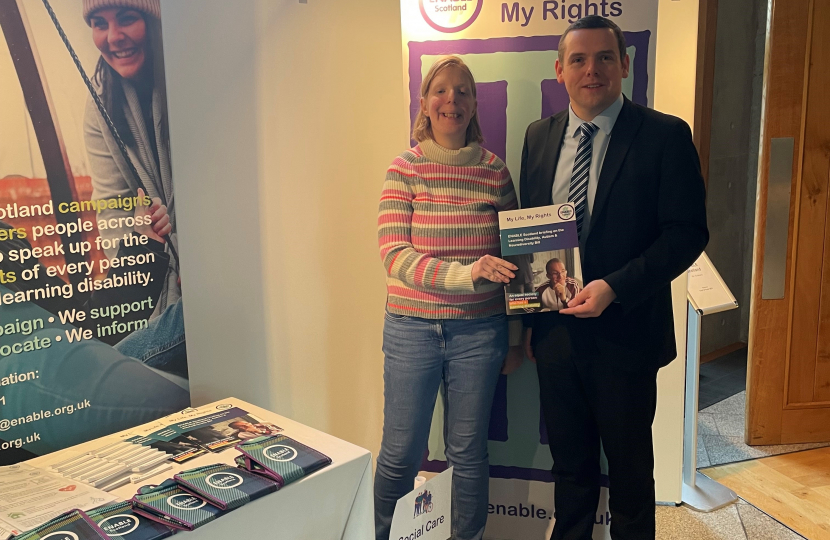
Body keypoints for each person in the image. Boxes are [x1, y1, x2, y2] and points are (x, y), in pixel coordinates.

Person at [518, 16, 708, 539]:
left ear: (625, 64)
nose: (592, 69)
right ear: (559, 70)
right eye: (578, 59)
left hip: (626, 335)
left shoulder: (665, 136)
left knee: (628, 475)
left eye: (605, 57)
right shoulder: (538, 138)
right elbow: (533, 238)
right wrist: (534, 323)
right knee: (569, 468)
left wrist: (614, 286)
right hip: (557, 337)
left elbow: (686, 233)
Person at [375, 56, 523, 540]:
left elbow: (517, 263)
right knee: (400, 454)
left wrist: (517, 336)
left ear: (475, 103)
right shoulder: (405, 169)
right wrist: (467, 273)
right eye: (441, 90)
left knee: (468, 453)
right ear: (425, 102)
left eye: (463, 92)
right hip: (410, 330)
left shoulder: (494, 172)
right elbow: (394, 255)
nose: (452, 100)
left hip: (481, 334)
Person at [83, 0, 180, 315]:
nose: (112, 37)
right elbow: (112, 209)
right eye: (100, 23)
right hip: (156, 286)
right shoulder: (99, 101)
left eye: (126, 19)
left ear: (155, 21)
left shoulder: (193, 78)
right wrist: (142, 259)